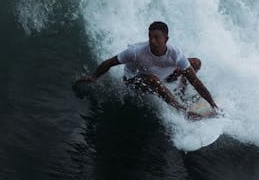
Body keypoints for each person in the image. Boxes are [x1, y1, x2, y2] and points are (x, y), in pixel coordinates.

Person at [75, 21, 218, 118]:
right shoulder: (135, 51)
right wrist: (94, 77)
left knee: (195, 62)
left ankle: (181, 91)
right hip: (135, 80)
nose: (152, 41)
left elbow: (196, 81)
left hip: (163, 75)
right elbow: (109, 62)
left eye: (157, 38)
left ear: (166, 39)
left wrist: (213, 106)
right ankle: (182, 110)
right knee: (152, 79)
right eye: (150, 37)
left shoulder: (176, 54)